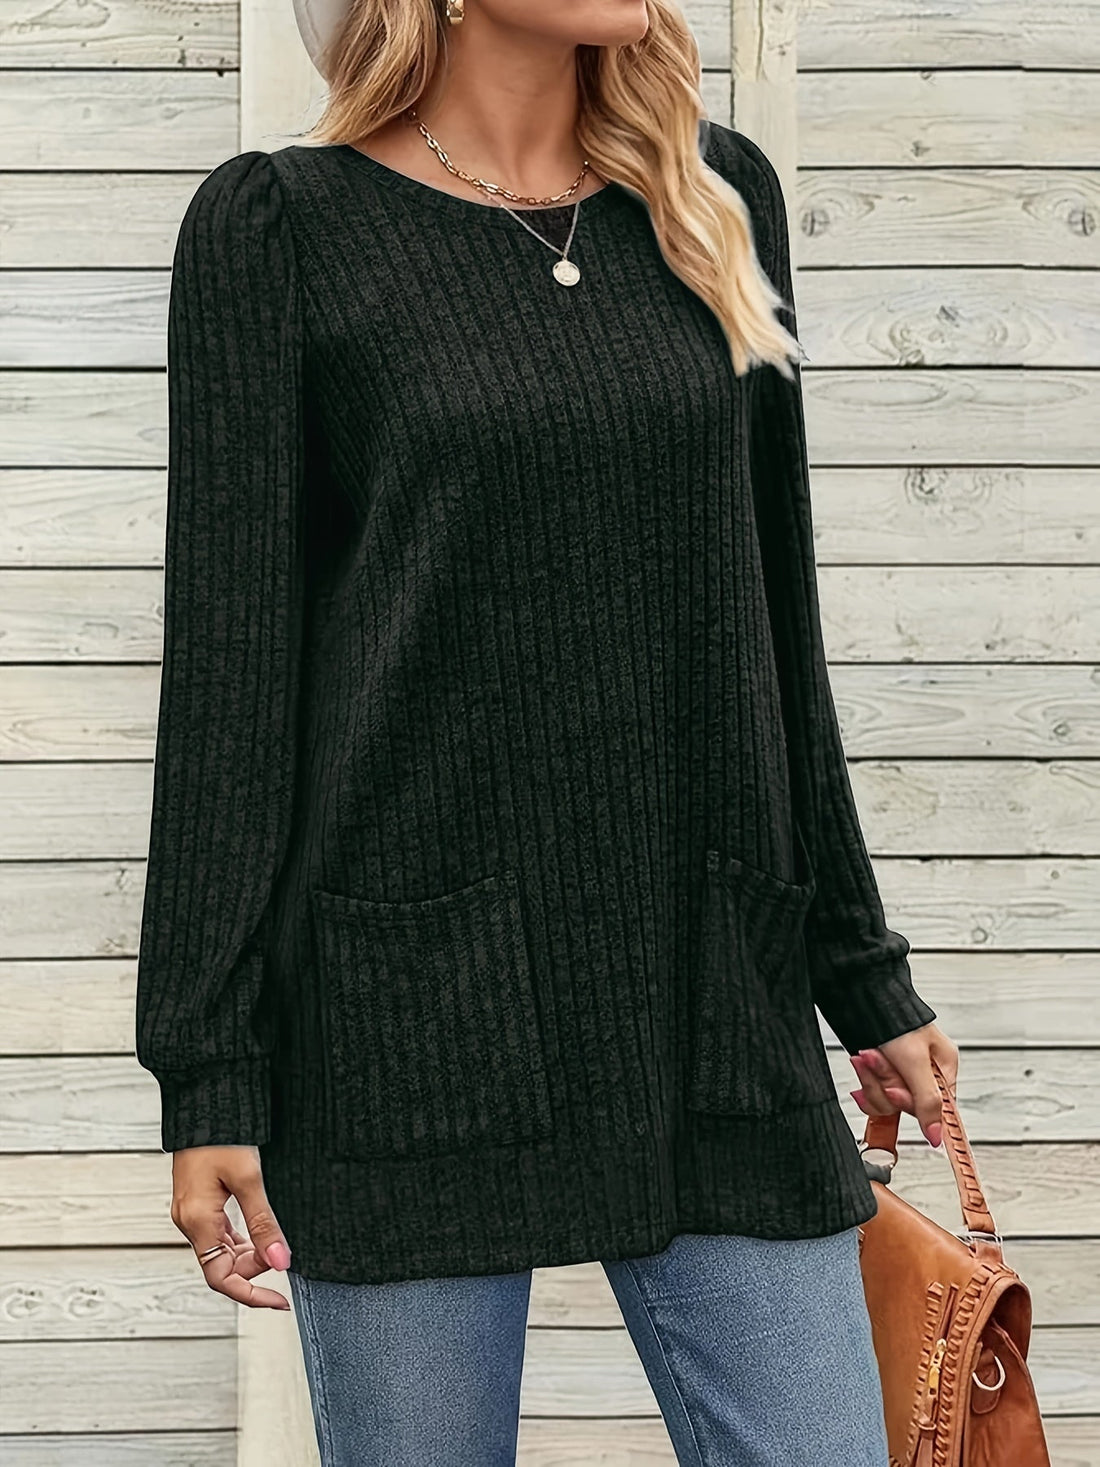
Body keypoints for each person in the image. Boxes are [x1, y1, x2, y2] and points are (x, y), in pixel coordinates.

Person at [134, 0, 960, 1462]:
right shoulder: (282, 230)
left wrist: (858, 969)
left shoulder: (713, 196)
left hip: (713, 989)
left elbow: (779, 617)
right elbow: (231, 678)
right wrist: (207, 1070)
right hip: (408, 1020)